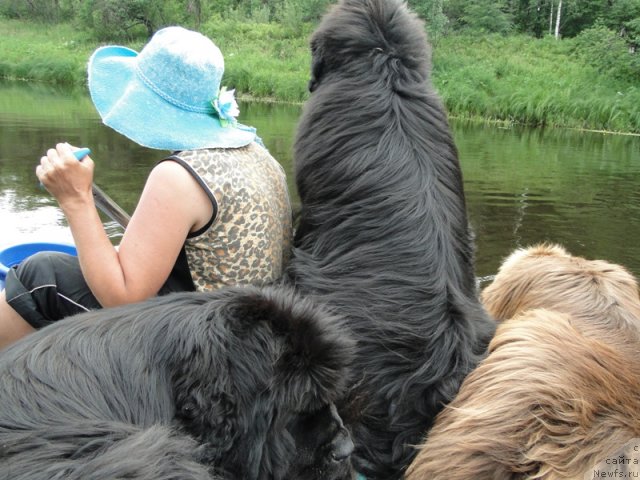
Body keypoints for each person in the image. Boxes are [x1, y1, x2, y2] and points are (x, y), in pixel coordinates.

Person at [0, 26, 293, 349]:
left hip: (202, 350)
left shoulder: (179, 177)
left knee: (40, 276)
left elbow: (123, 298)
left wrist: (75, 197)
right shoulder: (260, 155)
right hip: (253, 339)